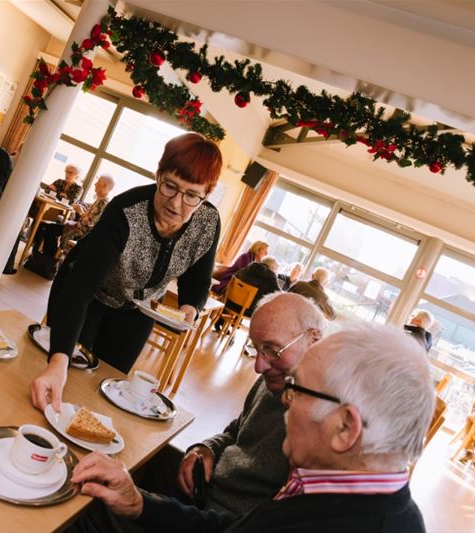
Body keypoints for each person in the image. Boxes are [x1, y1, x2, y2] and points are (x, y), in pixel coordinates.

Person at [72, 321, 433, 533]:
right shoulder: (352, 499)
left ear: (345, 427)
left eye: (297, 390)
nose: (285, 402)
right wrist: (139, 505)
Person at [31, 133, 222, 412]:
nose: (176, 203)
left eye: (192, 195)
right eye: (170, 186)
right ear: (158, 175)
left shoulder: (207, 223)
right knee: (63, 374)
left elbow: (197, 278)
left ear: (206, 194)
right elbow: (81, 286)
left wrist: (191, 306)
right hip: (87, 297)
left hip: (138, 310)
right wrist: (58, 361)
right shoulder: (125, 210)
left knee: (108, 389)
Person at [177, 293, 324, 514]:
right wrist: (205, 448)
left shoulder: (323, 420)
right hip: (205, 491)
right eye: (256, 348)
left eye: (274, 350)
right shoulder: (270, 381)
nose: (259, 366)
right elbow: (237, 432)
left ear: (314, 339)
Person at [34, 175, 115, 258]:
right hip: (77, 228)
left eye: (98, 182)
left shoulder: (102, 203)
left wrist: (80, 211)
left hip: (80, 233)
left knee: (49, 229)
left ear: (105, 186)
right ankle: (47, 256)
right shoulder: (100, 200)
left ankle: (47, 258)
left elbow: (90, 223)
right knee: (49, 227)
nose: (95, 184)